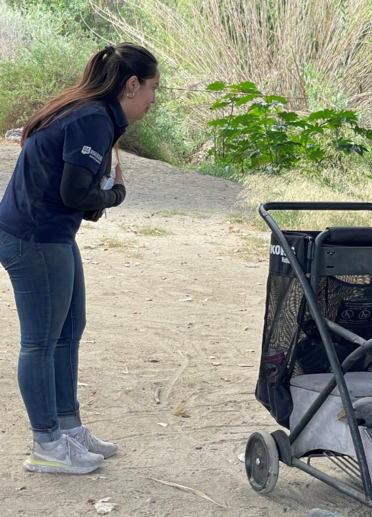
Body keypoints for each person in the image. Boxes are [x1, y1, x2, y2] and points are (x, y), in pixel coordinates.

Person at [0, 43, 159, 473]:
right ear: (131, 85)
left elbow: (69, 189)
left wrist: (96, 199)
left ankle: (68, 428)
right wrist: (115, 195)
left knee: (70, 328)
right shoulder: (92, 118)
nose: (153, 99)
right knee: (40, 341)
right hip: (34, 235)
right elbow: (75, 193)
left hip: (51, 230)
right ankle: (46, 444)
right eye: (152, 88)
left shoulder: (94, 113)